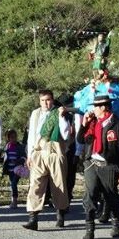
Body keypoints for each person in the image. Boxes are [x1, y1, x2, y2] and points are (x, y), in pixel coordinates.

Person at [77, 94, 119, 239]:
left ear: (103, 107)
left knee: (110, 196)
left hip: (109, 165)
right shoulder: (92, 122)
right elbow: (81, 140)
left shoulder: (117, 124)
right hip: (92, 163)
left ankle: (116, 222)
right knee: (90, 193)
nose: (93, 109)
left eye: (95, 106)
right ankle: (90, 228)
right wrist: (84, 124)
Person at [23, 90, 72, 230]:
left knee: (59, 184)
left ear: (52, 100)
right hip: (38, 151)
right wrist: (29, 154)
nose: (46, 103)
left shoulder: (58, 113)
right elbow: (32, 135)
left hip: (55, 151)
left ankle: (60, 213)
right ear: (39, 101)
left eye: (48, 99)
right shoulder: (35, 114)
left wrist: (62, 117)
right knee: (35, 184)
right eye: (43, 100)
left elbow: (65, 134)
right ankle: (33, 218)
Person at [1, 129, 26, 208]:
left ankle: (14, 201)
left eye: (15, 137)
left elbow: (23, 157)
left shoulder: (20, 146)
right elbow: (4, 158)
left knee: (13, 183)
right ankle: (13, 200)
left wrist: (17, 161)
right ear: (8, 138)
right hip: (10, 170)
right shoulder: (7, 147)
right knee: (12, 184)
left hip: (17, 170)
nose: (14, 139)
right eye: (12, 137)